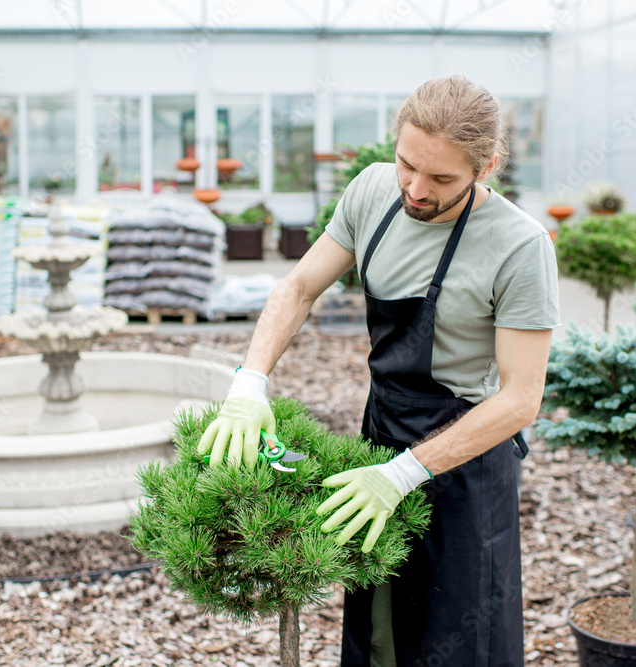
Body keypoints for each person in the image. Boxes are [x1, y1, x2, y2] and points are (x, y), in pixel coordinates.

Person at [198, 75, 560, 667]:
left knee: (458, 639)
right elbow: (298, 288)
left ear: (487, 166)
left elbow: (520, 400)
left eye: (441, 178)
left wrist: (402, 476)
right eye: (407, 165)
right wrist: (249, 382)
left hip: (465, 461)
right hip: (381, 434)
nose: (416, 190)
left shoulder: (520, 247)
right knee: (378, 635)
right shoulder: (371, 192)